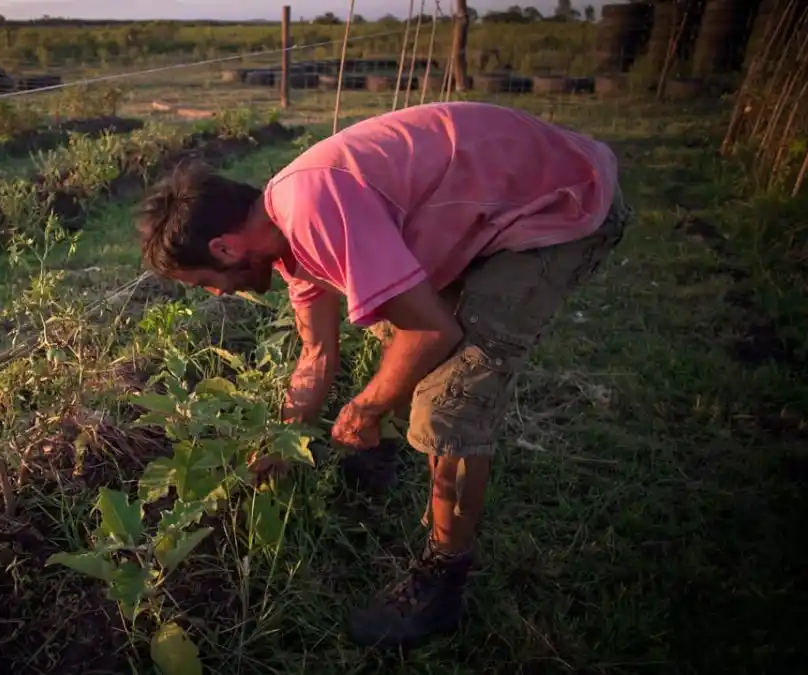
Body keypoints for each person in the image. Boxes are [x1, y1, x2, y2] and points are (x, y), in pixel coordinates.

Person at [134, 101, 633, 649]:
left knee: (452, 398)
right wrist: (274, 446)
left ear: (224, 248)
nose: (217, 293)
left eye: (205, 281)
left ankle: (442, 578)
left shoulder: (311, 207)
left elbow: (431, 333)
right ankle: (381, 451)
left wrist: (364, 407)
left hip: (559, 202)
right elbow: (316, 355)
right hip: (509, 197)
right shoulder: (288, 238)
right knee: (393, 332)